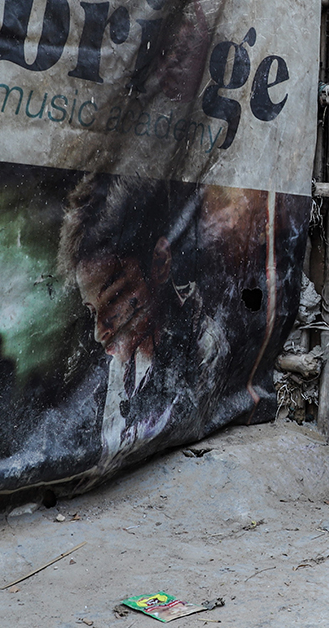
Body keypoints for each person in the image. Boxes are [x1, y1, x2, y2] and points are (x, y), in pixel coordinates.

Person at [58, 173, 228, 471]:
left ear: (160, 263)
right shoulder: (118, 365)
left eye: (114, 299)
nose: (101, 332)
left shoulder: (202, 345)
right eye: (91, 309)